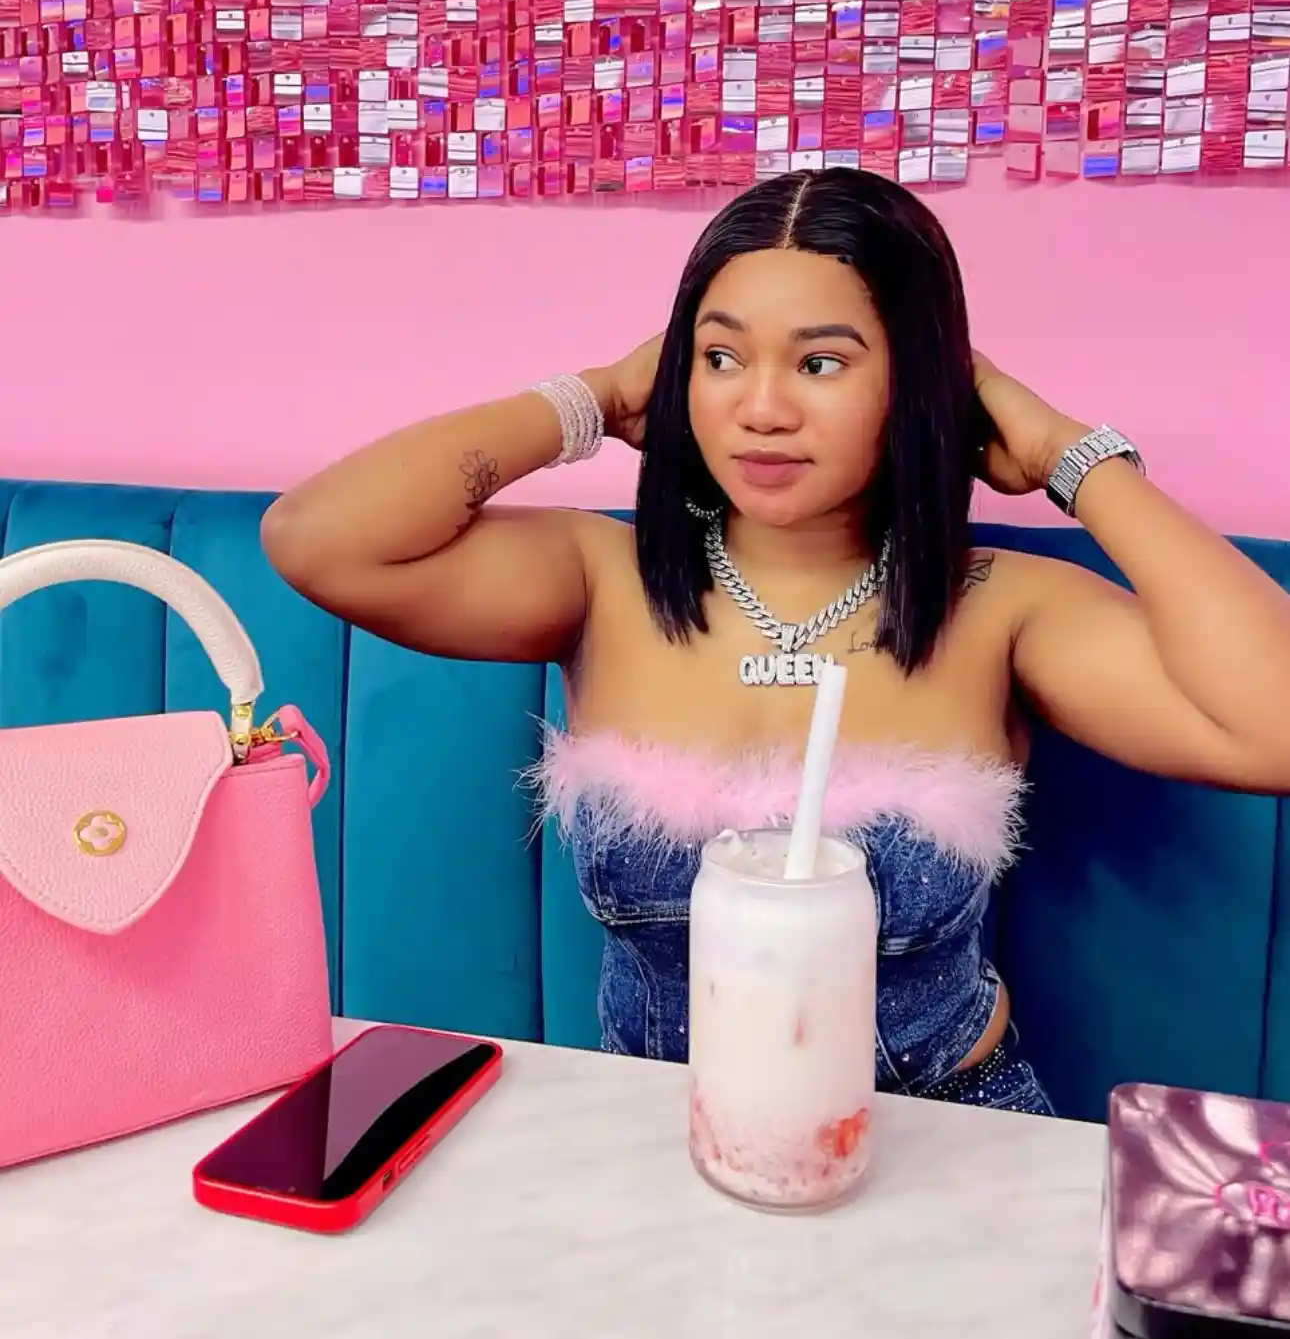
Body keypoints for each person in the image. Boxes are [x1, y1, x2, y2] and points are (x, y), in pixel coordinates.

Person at [262, 168, 1290, 1115]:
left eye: (820, 362)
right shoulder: (602, 577)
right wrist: (597, 398)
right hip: (655, 1138)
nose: (760, 408)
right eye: (720, 358)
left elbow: (1274, 724)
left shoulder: (995, 604)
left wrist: (1070, 454)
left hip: (947, 1139)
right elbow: (318, 538)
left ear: (916, 382)